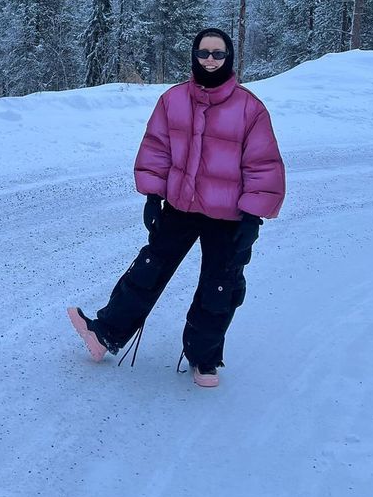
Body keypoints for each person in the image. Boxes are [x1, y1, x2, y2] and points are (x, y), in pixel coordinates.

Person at [67, 27, 285, 388]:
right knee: (148, 268)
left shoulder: (250, 109)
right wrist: (153, 197)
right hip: (180, 207)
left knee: (221, 285)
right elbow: (157, 149)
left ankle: (205, 358)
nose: (210, 60)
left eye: (218, 54)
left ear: (228, 58)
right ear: (194, 56)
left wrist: (253, 216)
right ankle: (104, 333)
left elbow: (262, 164)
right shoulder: (173, 100)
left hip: (229, 217)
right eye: (204, 53)